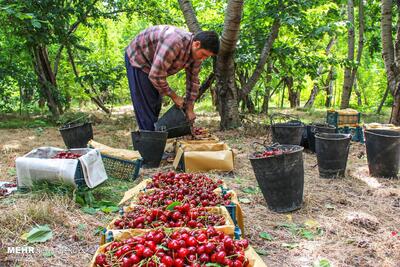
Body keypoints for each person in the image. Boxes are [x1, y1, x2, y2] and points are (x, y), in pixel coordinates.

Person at [125, 25, 219, 131]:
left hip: (153, 67)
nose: (203, 58)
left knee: (155, 106)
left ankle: (153, 137)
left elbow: (193, 81)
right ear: (197, 44)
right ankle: (148, 142)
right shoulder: (174, 42)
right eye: (203, 54)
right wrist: (174, 97)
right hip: (138, 58)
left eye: (207, 57)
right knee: (146, 110)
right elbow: (155, 75)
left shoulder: (197, 56)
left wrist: (190, 108)